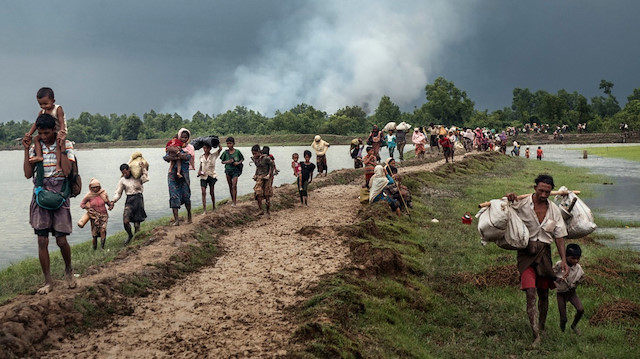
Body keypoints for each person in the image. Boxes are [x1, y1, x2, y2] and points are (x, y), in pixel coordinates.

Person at [506, 174, 569, 346]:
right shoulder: (521, 204)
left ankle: (541, 325)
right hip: (526, 254)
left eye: (547, 192)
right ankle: (535, 335)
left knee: (543, 293)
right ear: (535, 188)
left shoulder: (554, 210)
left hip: (545, 254)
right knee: (530, 293)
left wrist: (563, 260)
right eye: (541, 191)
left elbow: (559, 236)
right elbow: (504, 209)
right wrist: (509, 198)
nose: (543, 195)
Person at [23, 113, 76, 294]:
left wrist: (60, 148)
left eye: (47, 133)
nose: (44, 137)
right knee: (42, 239)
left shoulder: (67, 145)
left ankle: (69, 270)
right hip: (41, 192)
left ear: (54, 130)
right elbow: (28, 174)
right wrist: (25, 150)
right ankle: (48, 281)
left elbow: (68, 171)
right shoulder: (34, 148)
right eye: (41, 133)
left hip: (60, 192)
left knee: (61, 240)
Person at [24, 87, 67, 176]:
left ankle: (58, 164)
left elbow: (62, 122)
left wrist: (62, 133)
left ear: (53, 100)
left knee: (58, 144)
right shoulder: (42, 112)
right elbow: (36, 124)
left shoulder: (58, 109)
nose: (43, 106)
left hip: (59, 131)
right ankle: (39, 156)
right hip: (50, 131)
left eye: (45, 104)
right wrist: (29, 134)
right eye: (41, 104)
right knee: (36, 138)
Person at [164, 128, 193, 225]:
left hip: (184, 175)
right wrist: (177, 155)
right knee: (173, 195)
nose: (184, 139)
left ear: (188, 138)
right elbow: (166, 157)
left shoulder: (189, 148)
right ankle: (176, 219)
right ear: (179, 137)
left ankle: (189, 215)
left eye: (186, 137)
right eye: (182, 137)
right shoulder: (175, 145)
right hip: (172, 174)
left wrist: (176, 153)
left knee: (186, 195)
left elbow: (186, 157)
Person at [111, 163, 147, 243]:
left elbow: (145, 179)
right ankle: (130, 235)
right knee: (126, 221)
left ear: (129, 170)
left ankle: (137, 240)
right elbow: (118, 193)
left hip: (138, 199)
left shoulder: (137, 177)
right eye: (123, 173)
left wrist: (143, 169)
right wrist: (113, 201)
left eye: (125, 172)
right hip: (129, 200)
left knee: (137, 224)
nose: (124, 174)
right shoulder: (122, 180)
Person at [554, 243, 585, 335]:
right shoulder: (559, 265)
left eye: (578, 258)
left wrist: (575, 285)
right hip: (561, 293)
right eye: (573, 258)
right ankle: (562, 333)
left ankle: (574, 325)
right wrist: (557, 279)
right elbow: (552, 273)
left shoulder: (578, 268)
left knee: (580, 310)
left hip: (571, 292)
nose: (576, 261)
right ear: (566, 257)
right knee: (563, 318)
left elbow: (581, 278)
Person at [79, 178, 110, 250]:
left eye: (97, 187)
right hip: (94, 217)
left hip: (104, 215)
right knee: (94, 234)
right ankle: (94, 248)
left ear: (99, 187)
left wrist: (110, 205)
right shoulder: (89, 195)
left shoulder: (103, 193)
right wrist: (87, 208)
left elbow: (108, 202)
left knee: (103, 230)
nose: (95, 189)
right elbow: (82, 204)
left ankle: (102, 247)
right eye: (93, 187)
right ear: (91, 188)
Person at [251, 145, 275, 216]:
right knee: (258, 193)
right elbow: (257, 167)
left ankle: (268, 211)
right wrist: (255, 175)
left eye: (255, 153)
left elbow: (272, 165)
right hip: (260, 177)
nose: (254, 155)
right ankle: (261, 210)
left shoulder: (265, 158)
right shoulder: (255, 159)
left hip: (267, 177)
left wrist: (269, 175)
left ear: (259, 152)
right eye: (253, 154)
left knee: (267, 194)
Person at [220, 136, 244, 206]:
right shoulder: (225, 152)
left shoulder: (237, 152)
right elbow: (222, 161)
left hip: (235, 171)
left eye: (230, 143)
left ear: (233, 144)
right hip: (228, 170)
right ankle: (233, 199)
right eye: (227, 144)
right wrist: (227, 162)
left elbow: (242, 159)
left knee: (234, 185)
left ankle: (234, 202)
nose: (229, 145)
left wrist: (238, 163)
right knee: (230, 185)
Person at [198, 143, 221, 213]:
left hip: (211, 175)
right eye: (204, 148)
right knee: (203, 192)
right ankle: (204, 209)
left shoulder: (214, 155)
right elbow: (200, 166)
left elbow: (220, 149)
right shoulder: (201, 157)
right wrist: (199, 172)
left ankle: (214, 206)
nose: (205, 150)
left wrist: (217, 142)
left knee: (211, 192)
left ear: (210, 149)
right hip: (203, 176)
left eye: (207, 148)